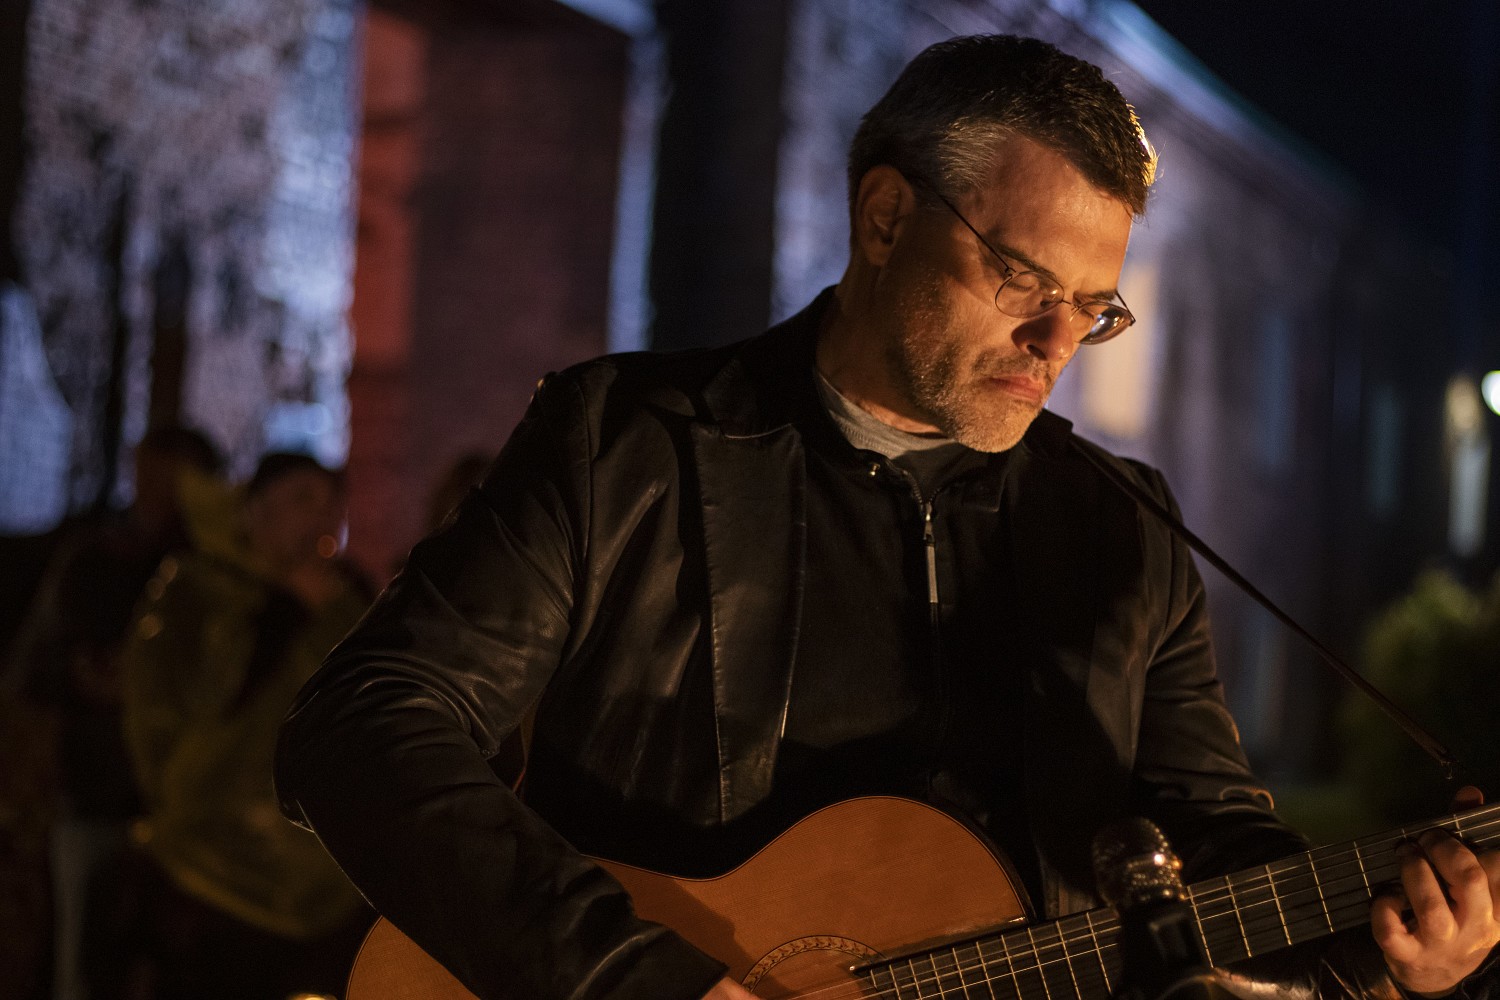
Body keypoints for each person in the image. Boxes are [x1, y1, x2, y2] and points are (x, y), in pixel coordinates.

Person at [274, 34, 1500, 1000]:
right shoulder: (626, 444)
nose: (1057, 341)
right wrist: (638, 978)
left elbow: (1214, 853)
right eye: (1023, 279)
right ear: (885, 218)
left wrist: (1396, 950)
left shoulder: (1122, 526)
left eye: (1094, 306)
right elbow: (363, 726)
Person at [115, 452, 371, 999]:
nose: (323, 517)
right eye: (303, 499)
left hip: (316, 897)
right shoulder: (196, 592)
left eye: (332, 503)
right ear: (253, 511)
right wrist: (287, 614)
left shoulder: (349, 609)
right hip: (204, 876)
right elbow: (183, 718)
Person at [5, 425, 222, 1000]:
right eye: (150, 475)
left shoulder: (219, 575)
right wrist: (85, 677)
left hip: (194, 813)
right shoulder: (96, 560)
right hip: (99, 794)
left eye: (176, 480)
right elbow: (35, 668)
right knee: (88, 964)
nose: (159, 493)